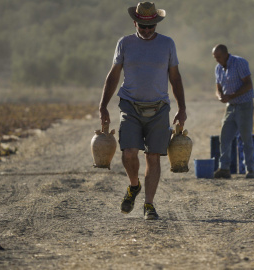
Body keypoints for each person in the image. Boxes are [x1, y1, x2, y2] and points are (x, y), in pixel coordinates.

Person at [99, 2, 187, 220]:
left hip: (159, 107)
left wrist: (182, 107)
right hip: (130, 105)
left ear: (156, 24)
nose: (147, 31)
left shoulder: (167, 44)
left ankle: (149, 204)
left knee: (153, 156)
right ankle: (134, 185)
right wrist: (103, 106)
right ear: (134, 22)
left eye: (151, 27)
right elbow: (113, 76)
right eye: (142, 26)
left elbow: (175, 78)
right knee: (129, 153)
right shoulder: (125, 43)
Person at [212, 44, 254, 179]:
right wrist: (220, 96)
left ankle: (250, 169)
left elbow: (248, 85)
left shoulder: (239, 63)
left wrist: (231, 95)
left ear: (226, 54)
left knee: (245, 137)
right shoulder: (218, 68)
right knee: (224, 136)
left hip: (244, 105)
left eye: (218, 57)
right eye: (215, 57)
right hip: (230, 106)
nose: (217, 60)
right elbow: (218, 87)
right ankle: (224, 168)